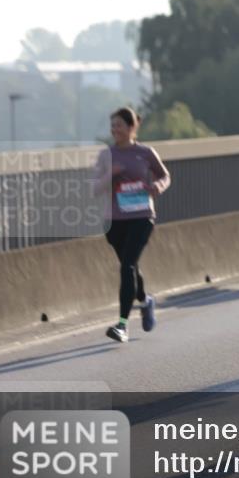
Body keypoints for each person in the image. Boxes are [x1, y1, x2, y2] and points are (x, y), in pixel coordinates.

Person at [92, 107, 171, 343]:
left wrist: (158, 186)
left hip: (142, 216)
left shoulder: (146, 153)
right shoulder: (106, 156)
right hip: (115, 221)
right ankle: (146, 300)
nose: (114, 130)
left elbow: (165, 176)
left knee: (126, 266)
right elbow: (95, 189)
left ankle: (122, 325)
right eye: (112, 125)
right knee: (131, 267)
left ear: (131, 127)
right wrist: (111, 175)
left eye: (119, 125)